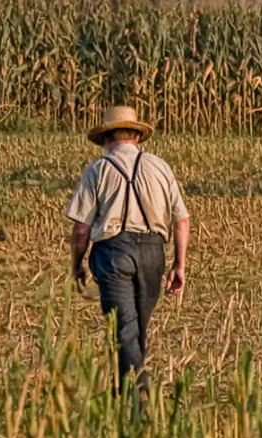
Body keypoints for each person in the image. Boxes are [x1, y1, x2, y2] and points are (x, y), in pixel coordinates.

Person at [64, 105, 190, 397]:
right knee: (137, 329)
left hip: (113, 253)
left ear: (107, 138)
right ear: (135, 135)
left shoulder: (98, 169)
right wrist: (179, 265)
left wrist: (76, 264)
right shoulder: (160, 167)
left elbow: (81, 229)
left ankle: (137, 383)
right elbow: (182, 220)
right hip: (153, 253)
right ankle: (127, 394)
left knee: (124, 329)